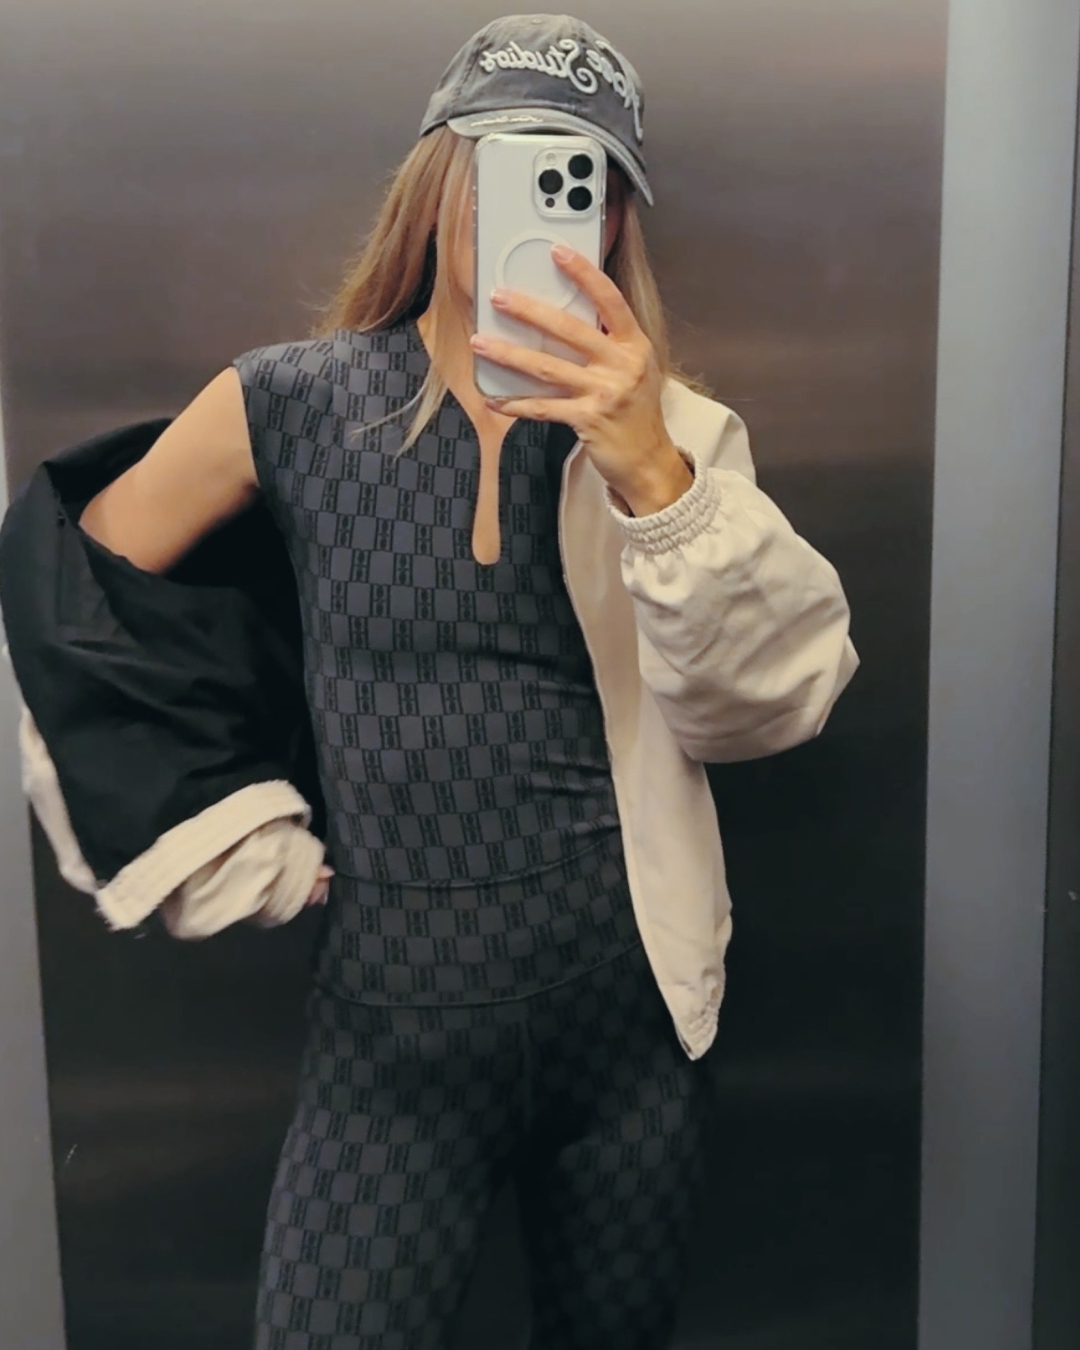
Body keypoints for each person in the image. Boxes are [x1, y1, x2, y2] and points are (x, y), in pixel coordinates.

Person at [1, 14, 858, 1349]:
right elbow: (77, 585)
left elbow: (770, 703)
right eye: (509, 161)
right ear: (440, 180)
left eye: (585, 179)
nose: (550, 205)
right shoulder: (291, 404)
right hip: (389, 1048)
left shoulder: (681, 437)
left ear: (618, 221)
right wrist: (227, 817)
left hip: (632, 1037)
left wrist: (651, 472)